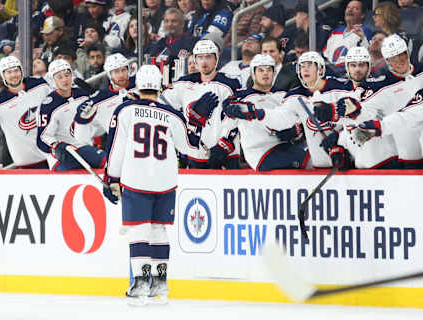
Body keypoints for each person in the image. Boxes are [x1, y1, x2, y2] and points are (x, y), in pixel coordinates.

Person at [104, 64, 199, 305]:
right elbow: (190, 148)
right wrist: (198, 121)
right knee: (159, 230)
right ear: (159, 86)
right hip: (166, 180)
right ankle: (160, 286)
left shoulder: (125, 110)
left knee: (139, 231)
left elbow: (116, 148)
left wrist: (111, 178)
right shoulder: (173, 114)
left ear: (137, 85)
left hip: (137, 179)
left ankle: (140, 285)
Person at [240, 51, 354, 169]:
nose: (305, 69)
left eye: (309, 65)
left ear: (320, 69)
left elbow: (359, 115)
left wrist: (340, 137)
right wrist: (258, 113)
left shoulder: (341, 88)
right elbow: (280, 118)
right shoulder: (295, 96)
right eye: (302, 66)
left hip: (351, 150)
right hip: (323, 161)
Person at [330, 34, 423, 168]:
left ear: (407, 53)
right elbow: (363, 109)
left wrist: (378, 127)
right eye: (393, 58)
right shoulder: (382, 85)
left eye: (401, 55)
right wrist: (340, 133)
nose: (399, 61)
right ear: (387, 61)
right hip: (405, 149)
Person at [314, 46, 400, 169]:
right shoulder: (346, 93)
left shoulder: (378, 88)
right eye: (353, 65)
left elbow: (365, 115)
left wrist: (336, 113)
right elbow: (352, 128)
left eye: (361, 65)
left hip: (385, 162)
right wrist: (339, 143)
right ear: (347, 68)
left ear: (368, 67)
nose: (357, 69)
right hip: (362, 166)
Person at [162, 39, 241, 169]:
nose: (204, 62)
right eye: (200, 57)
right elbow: (162, 104)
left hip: (226, 155)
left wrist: (224, 145)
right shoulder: (184, 83)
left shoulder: (229, 84)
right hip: (195, 155)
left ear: (216, 59)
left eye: (208, 57)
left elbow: (236, 118)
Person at [222, 54, 309, 171]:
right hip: (259, 152)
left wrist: (295, 131)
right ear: (253, 73)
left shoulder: (282, 96)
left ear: (274, 73)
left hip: (284, 147)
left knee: (313, 159)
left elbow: (298, 123)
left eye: (269, 70)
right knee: (304, 161)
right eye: (261, 70)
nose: (265, 73)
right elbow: (228, 121)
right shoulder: (241, 97)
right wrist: (230, 110)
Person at [0, 56, 50, 168]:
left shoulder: (41, 85)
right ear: (3, 76)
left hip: (54, 159)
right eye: (9, 72)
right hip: (28, 165)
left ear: (21, 71)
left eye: (16, 70)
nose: (13, 75)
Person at [37, 59, 107, 171]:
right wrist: (56, 146)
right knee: (71, 178)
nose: (65, 79)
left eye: (67, 75)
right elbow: (42, 138)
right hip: (62, 155)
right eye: (59, 77)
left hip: (84, 148)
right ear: (52, 80)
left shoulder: (83, 95)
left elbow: (96, 121)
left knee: (110, 164)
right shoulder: (48, 105)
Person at [73, 53, 136, 147]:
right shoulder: (101, 99)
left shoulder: (139, 85)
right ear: (109, 74)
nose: (121, 75)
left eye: (124, 70)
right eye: (116, 72)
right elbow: (81, 136)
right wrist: (82, 118)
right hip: (118, 147)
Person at [323, 0, 373, 74]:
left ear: (362, 15)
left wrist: (363, 38)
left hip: (349, 74)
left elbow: (367, 54)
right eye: (348, 7)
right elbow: (326, 55)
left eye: (355, 8)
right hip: (331, 73)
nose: (350, 10)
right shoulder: (336, 32)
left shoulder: (364, 31)